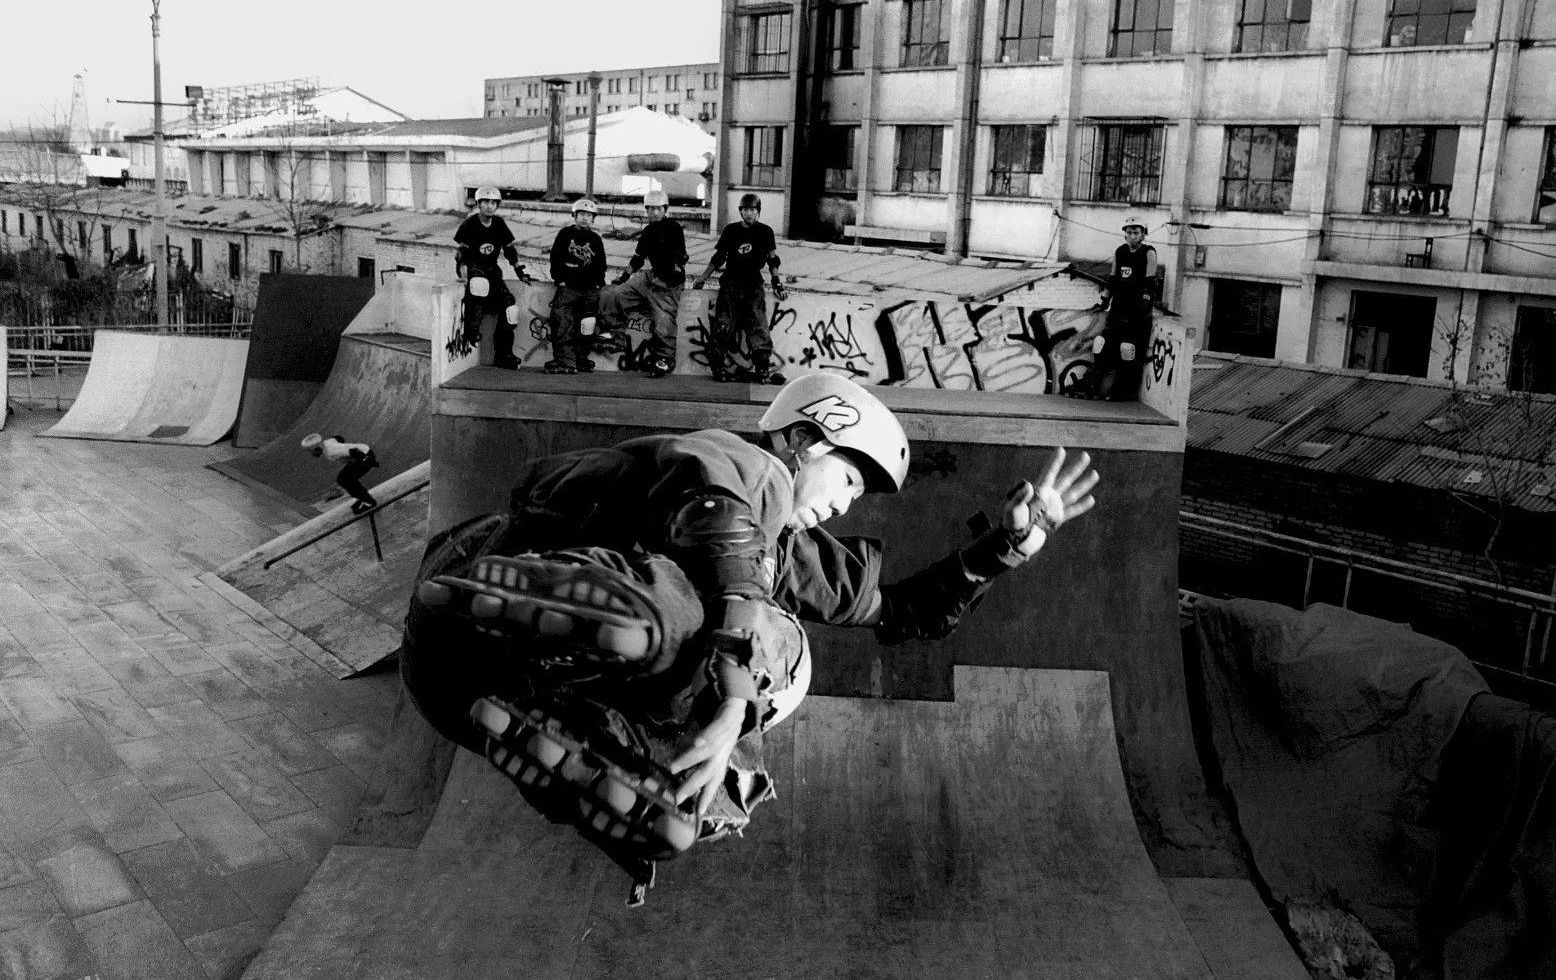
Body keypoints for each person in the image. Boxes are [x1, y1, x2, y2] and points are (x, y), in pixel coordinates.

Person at [403, 372, 1099, 904]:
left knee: (706, 786)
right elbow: (723, 530)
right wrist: (735, 700)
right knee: (720, 616)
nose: (843, 505)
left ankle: (603, 754)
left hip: (456, 679)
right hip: (485, 565)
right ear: (805, 440)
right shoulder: (744, 463)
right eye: (847, 479)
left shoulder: (788, 549)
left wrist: (1004, 548)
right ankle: (628, 624)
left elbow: (899, 609)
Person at [693, 193, 787, 385]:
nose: (748, 213)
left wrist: (777, 283)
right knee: (723, 324)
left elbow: (772, 260)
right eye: (745, 210)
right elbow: (719, 257)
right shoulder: (731, 230)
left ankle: (762, 367)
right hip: (731, 282)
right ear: (740, 211)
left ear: (758, 211)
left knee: (758, 324)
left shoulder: (765, 232)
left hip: (753, 282)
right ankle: (717, 366)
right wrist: (703, 277)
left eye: (752, 210)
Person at [599, 190, 685, 377]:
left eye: (658, 209)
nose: (654, 213)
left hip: (668, 282)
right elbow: (638, 258)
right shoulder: (648, 231)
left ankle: (665, 358)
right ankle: (616, 335)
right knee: (615, 294)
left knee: (663, 320)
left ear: (665, 209)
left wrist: (675, 268)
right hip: (650, 277)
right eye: (651, 209)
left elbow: (680, 255)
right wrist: (623, 277)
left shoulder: (674, 228)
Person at [454, 186, 532, 371]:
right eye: (485, 202)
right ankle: (472, 329)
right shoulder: (470, 224)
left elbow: (509, 250)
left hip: (492, 270)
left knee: (510, 307)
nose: (489, 206)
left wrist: (520, 273)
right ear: (478, 204)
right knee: (479, 285)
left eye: (492, 203)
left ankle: (504, 354)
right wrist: (463, 272)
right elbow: (462, 252)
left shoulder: (499, 224)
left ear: (497, 205)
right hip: (473, 267)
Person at [1082, 215, 1159, 402]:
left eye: (1136, 232)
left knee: (1128, 350)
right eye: (1129, 232)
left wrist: (1144, 304)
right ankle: (1092, 384)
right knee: (1101, 346)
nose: (1132, 236)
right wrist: (1104, 301)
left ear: (1143, 234)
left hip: (1137, 312)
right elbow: (1113, 279)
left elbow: (1150, 282)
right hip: (1118, 308)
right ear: (1125, 234)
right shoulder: (1120, 251)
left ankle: (1124, 389)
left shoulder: (1149, 252)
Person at [545, 198, 608, 375]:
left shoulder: (595, 238)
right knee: (561, 320)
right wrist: (559, 280)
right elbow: (555, 257)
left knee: (587, 323)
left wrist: (599, 283)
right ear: (574, 215)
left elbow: (601, 263)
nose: (585, 218)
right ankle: (564, 359)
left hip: (589, 288)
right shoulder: (565, 234)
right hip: (569, 287)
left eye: (589, 215)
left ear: (593, 218)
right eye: (581, 214)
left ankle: (580, 358)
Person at [300, 433, 381, 513]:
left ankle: (369, 502)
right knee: (342, 479)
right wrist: (342, 446)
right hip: (359, 455)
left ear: (317, 449)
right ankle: (362, 497)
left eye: (311, 451)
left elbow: (355, 451)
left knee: (346, 480)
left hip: (364, 456)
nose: (311, 454)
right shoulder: (326, 443)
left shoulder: (331, 451)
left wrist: (371, 461)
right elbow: (338, 438)